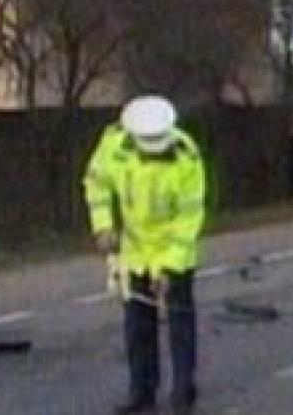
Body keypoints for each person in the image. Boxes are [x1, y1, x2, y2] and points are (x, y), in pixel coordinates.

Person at [84, 95, 206, 415]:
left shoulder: (186, 157)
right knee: (138, 326)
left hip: (174, 251)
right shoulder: (115, 147)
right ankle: (142, 391)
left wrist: (169, 269)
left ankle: (183, 390)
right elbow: (95, 182)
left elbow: (188, 219)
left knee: (179, 321)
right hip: (135, 252)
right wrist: (103, 226)